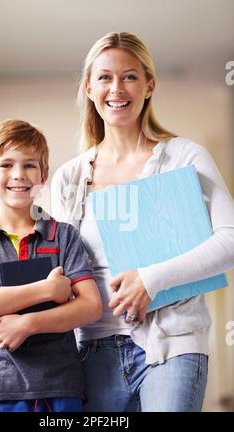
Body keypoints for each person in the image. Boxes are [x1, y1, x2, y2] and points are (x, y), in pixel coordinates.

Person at [51, 32, 234, 412]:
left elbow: (230, 239)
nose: (117, 88)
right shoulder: (69, 178)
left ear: (150, 85)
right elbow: (63, 268)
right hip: (93, 350)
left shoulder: (183, 156)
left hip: (173, 344)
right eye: (104, 77)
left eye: (130, 76)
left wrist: (150, 280)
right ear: (88, 87)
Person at [0, 119, 102, 412]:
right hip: (0, 388)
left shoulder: (63, 235)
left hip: (62, 386)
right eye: (6, 165)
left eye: (29, 165)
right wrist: (47, 289)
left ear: (43, 175)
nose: (18, 175)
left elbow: (90, 307)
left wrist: (27, 324)